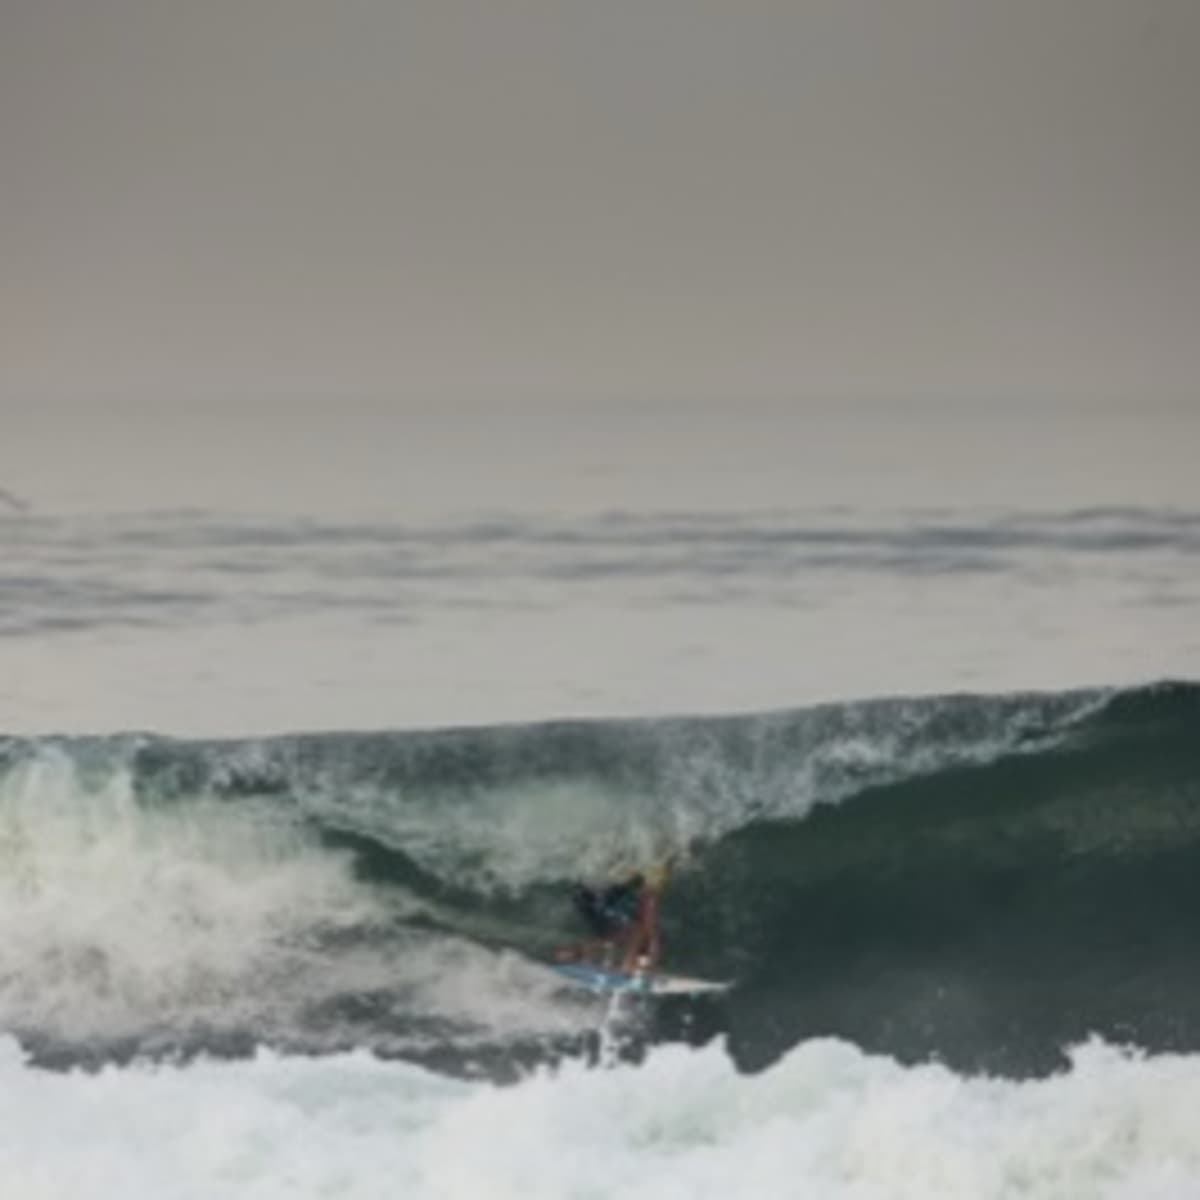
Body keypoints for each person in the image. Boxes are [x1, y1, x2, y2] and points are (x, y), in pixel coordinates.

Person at [554, 862, 669, 973]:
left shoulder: (626, 938)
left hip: (603, 912)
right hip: (608, 909)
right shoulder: (643, 934)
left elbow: (602, 943)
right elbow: (640, 931)